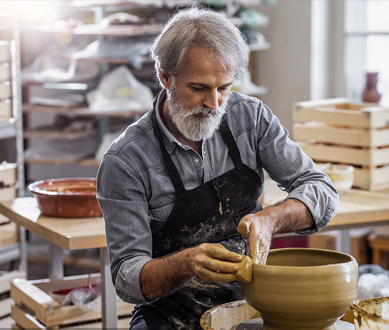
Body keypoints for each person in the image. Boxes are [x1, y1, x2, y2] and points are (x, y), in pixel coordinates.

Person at [97, 6, 338, 330]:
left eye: (223, 87)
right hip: (171, 315)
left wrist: (271, 220)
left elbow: (322, 189)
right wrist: (186, 264)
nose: (214, 103)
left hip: (254, 303)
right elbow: (127, 278)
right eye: (198, 89)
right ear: (165, 77)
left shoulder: (250, 118)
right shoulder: (127, 161)